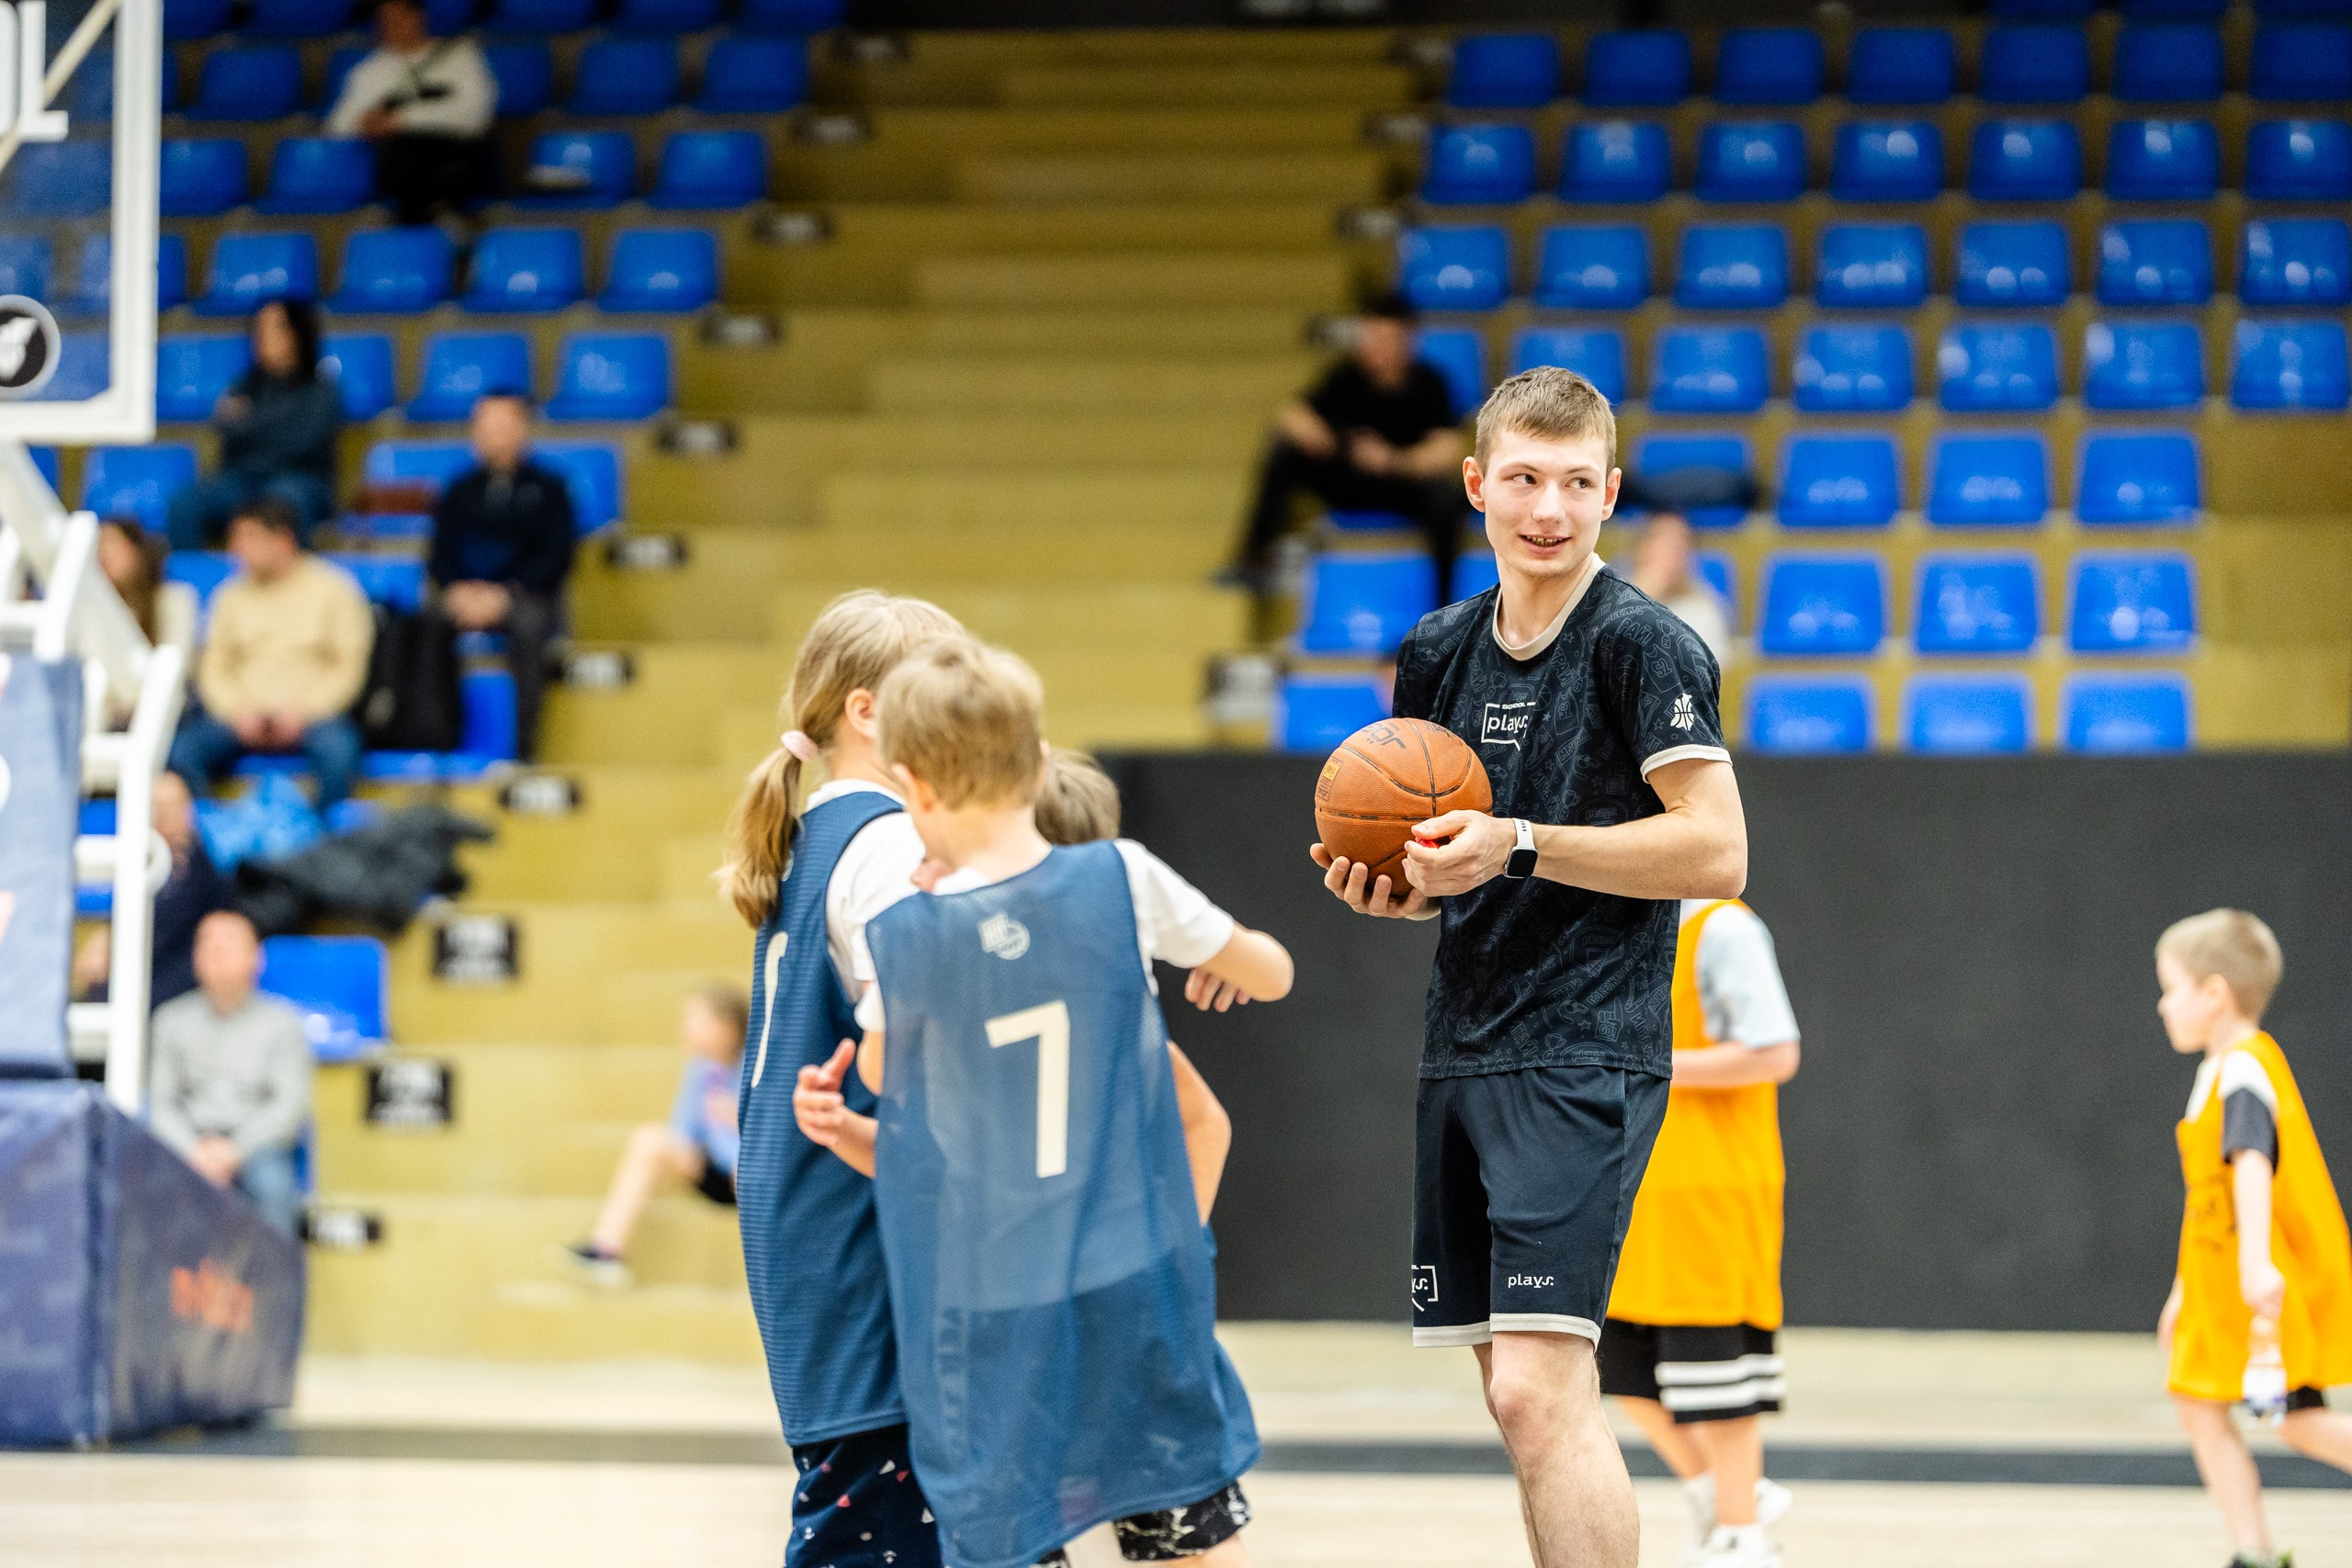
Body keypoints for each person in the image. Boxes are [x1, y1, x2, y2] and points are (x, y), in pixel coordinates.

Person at [1312, 366, 1747, 1568]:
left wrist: (1518, 841)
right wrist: (1396, 885)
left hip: (1585, 1041)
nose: (1547, 505)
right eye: (1522, 477)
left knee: (1542, 1394)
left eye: (1572, 481)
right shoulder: (1439, 650)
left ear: (1609, 493)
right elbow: (1445, 872)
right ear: (1475, 486)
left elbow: (1719, 850)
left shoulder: (1642, 644)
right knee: (1512, 1389)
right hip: (1466, 1038)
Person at [795, 638, 1292, 1568]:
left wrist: (841, 1124)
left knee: (1016, 1543)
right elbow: (1272, 968)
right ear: (1033, 760)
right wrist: (1228, 968)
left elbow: (917, 1142)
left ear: (914, 789)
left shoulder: (909, 944)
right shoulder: (1122, 876)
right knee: (1185, 1543)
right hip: (1129, 1283)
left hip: (999, 1307)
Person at [720, 589, 966, 1568]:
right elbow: (928, 1042)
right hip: (868, 1236)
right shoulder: (891, 845)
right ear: (866, 711)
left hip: (810, 1232)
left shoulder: (814, 837)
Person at [1599, 897, 1801, 1568]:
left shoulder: (1724, 927)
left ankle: (1741, 1536)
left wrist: (1657, 1062)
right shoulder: (1611, 922)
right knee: (1617, 1365)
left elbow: (1775, 1051)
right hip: (1635, 1177)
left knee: (1718, 1374)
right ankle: (1721, 1495)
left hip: (1712, 1179)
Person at [2154, 909, 2352, 1568]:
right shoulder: (2218, 1071)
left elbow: (2252, 1163)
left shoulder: (2244, 1070)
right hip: (2220, 1293)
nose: (2162, 1004)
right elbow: (2208, 1198)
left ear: (2215, 993)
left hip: (2252, 1295)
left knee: (2294, 1418)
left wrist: (2258, 1262)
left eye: (2171, 987)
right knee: (2199, 1403)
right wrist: (2186, 1289)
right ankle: (2253, 1549)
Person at [1225, 291, 1471, 600]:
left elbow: (1448, 451)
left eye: (1384, 337)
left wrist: (1391, 460)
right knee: (1284, 453)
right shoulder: (1345, 376)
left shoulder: (1430, 384)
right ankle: (1253, 558)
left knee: (1447, 501)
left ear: (1407, 340)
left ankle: (1444, 608)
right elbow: (1290, 416)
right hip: (1349, 480)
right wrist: (1329, 440)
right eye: (1369, 336)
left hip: (1400, 486)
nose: (1374, 346)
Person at [168, 499, 374, 812]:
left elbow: (348, 666)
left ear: (282, 540)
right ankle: (211, 841)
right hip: (240, 716)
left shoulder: (334, 588)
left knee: (340, 753)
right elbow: (213, 666)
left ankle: (320, 844)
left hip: (313, 717)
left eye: (248, 537)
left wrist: (306, 711)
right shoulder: (230, 595)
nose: (236, 548)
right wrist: (236, 710)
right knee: (181, 752)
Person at [561, 985, 750, 1287]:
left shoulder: (753, 1067)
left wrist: (735, 1120)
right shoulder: (700, 1069)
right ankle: (606, 1248)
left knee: (747, 1167)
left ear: (727, 1028)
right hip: (711, 1169)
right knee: (648, 1140)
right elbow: (682, 1131)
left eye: (697, 1022)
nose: (686, 1030)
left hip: (749, 1174)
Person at [426, 391, 577, 763]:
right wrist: (459, 591)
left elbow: (557, 555)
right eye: (484, 425)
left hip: (525, 595)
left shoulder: (550, 488)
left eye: (502, 425)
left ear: (522, 429)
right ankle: (435, 739)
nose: (492, 434)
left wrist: (506, 594)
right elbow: (440, 555)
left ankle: (525, 750)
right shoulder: (458, 490)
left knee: (529, 627)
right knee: (426, 624)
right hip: (465, 594)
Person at [146, 910, 315, 1235]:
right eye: (206, 942)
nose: (217, 950)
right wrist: (193, 1151)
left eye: (230, 942)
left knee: (273, 1186)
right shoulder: (170, 1020)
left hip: (257, 1148)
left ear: (257, 957)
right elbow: (160, 1103)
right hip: (187, 1143)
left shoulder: (283, 1024)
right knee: (145, 1182)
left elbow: (289, 1106)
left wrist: (234, 1152)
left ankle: (273, 1285)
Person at [165, 300, 342, 549]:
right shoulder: (243, 386)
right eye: (259, 329)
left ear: (297, 334)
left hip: (298, 480)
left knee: (283, 502)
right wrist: (274, 427)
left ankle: (288, 583)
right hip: (242, 481)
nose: (263, 337)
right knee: (184, 504)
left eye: (274, 328)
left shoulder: (321, 390)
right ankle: (191, 582)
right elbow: (224, 430)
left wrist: (250, 424)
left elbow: (303, 443)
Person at [325, 0, 499, 230]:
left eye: (398, 17)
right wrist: (366, 123)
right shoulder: (369, 71)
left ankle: (436, 220)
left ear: (417, 16)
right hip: (398, 168)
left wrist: (402, 121)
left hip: (458, 160)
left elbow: (475, 115)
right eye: (384, 20)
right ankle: (435, 220)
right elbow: (337, 124)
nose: (390, 26)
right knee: (398, 153)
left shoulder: (461, 58)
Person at [72, 770, 233, 1011]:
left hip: (182, 980)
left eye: (174, 805)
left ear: (189, 811)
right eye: (157, 806)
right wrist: (107, 942)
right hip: (138, 973)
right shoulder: (136, 865)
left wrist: (115, 949)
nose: (165, 815)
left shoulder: (207, 874)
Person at [1626, 511, 1731, 664]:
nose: (1671, 554)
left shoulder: (1704, 611)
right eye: (1662, 542)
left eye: (1678, 546)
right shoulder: (1608, 598)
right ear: (1641, 548)